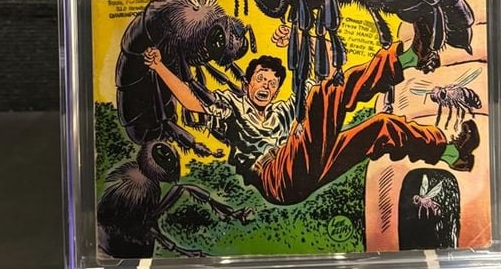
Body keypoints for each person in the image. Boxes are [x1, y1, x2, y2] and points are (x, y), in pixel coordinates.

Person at [143, 29, 478, 206]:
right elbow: (193, 103)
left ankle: (453, 154)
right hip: (275, 179)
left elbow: (329, 75)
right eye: (260, 79)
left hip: (306, 170)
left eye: (272, 83)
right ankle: (407, 59)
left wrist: (298, 39)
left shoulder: (283, 110)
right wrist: (159, 67)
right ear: (247, 84)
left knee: (381, 128)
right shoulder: (232, 108)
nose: (266, 86)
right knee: (323, 96)